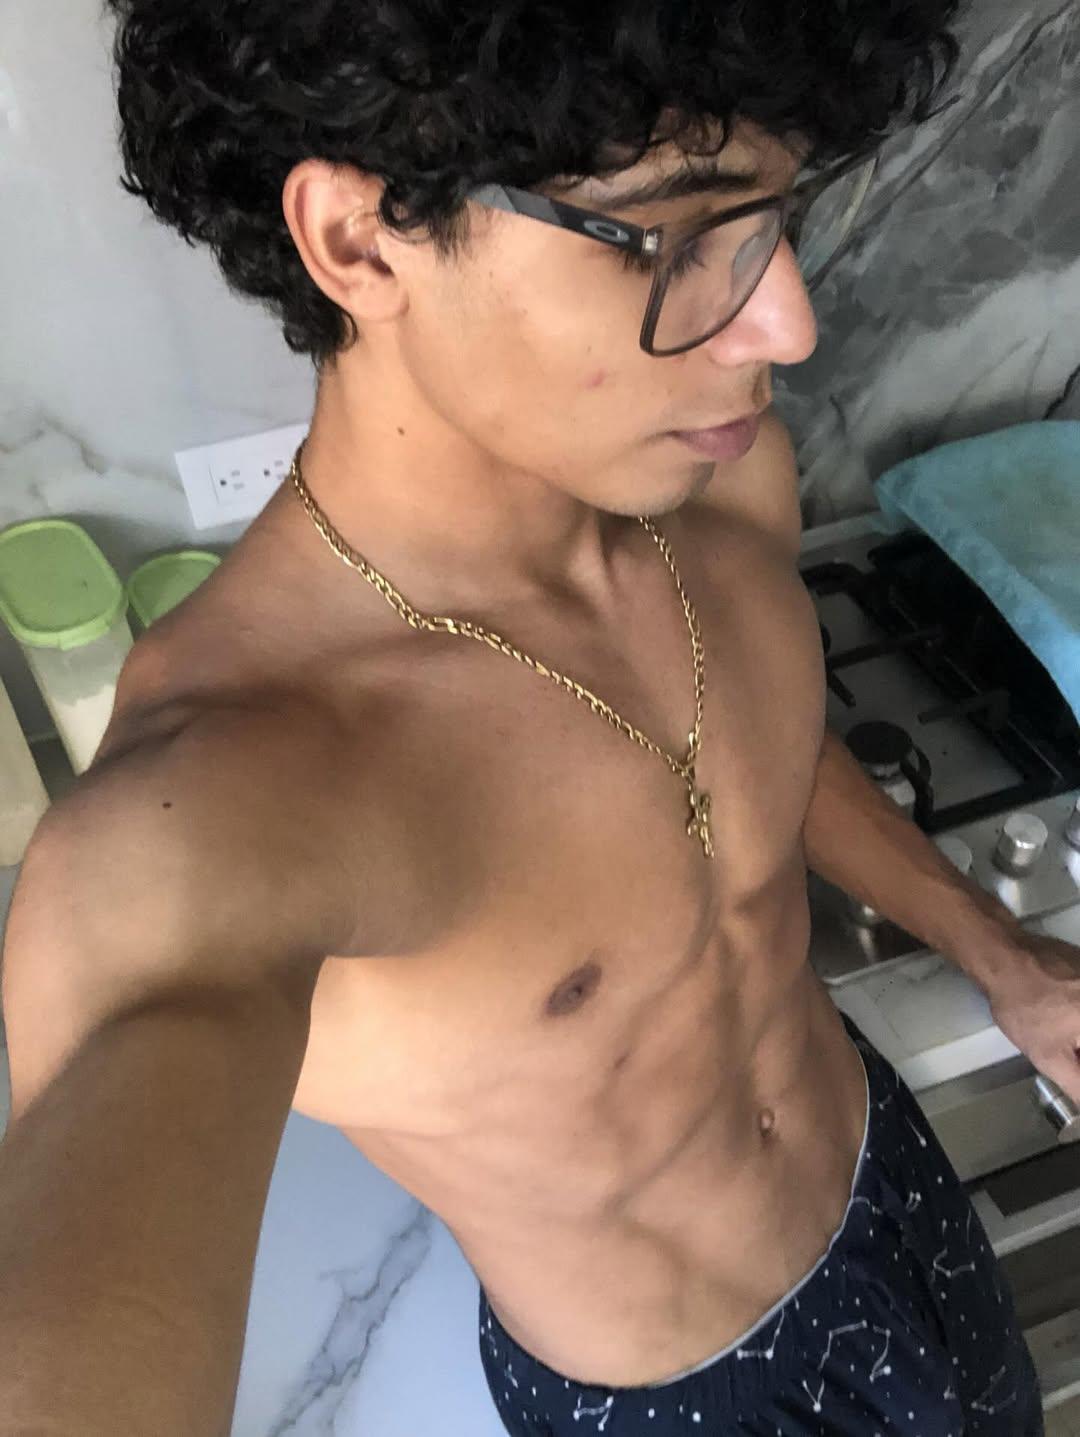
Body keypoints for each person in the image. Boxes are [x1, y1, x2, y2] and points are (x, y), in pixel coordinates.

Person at [0, 1, 1074, 1432]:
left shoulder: (722, 480)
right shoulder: (231, 795)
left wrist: (998, 952)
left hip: (895, 1183)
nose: (787, 319)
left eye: (776, 213)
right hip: (680, 1392)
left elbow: (756, 755)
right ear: (359, 242)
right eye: (672, 235)